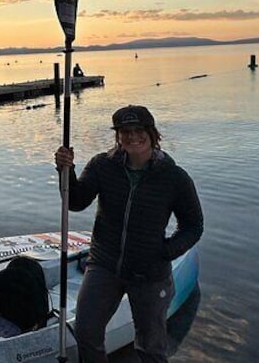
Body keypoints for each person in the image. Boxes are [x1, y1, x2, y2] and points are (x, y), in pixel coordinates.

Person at [54, 105, 203, 363]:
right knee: (86, 332)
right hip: (104, 264)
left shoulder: (174, 177)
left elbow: (193, 225)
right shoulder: (103, 165)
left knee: (150, 346)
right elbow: (76, 201)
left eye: (139, 130)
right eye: (125, 131)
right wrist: (65, 171)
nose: (132, 137)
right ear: (118, 136)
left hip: (150, 274)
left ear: (152, 133)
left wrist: (165, 252)